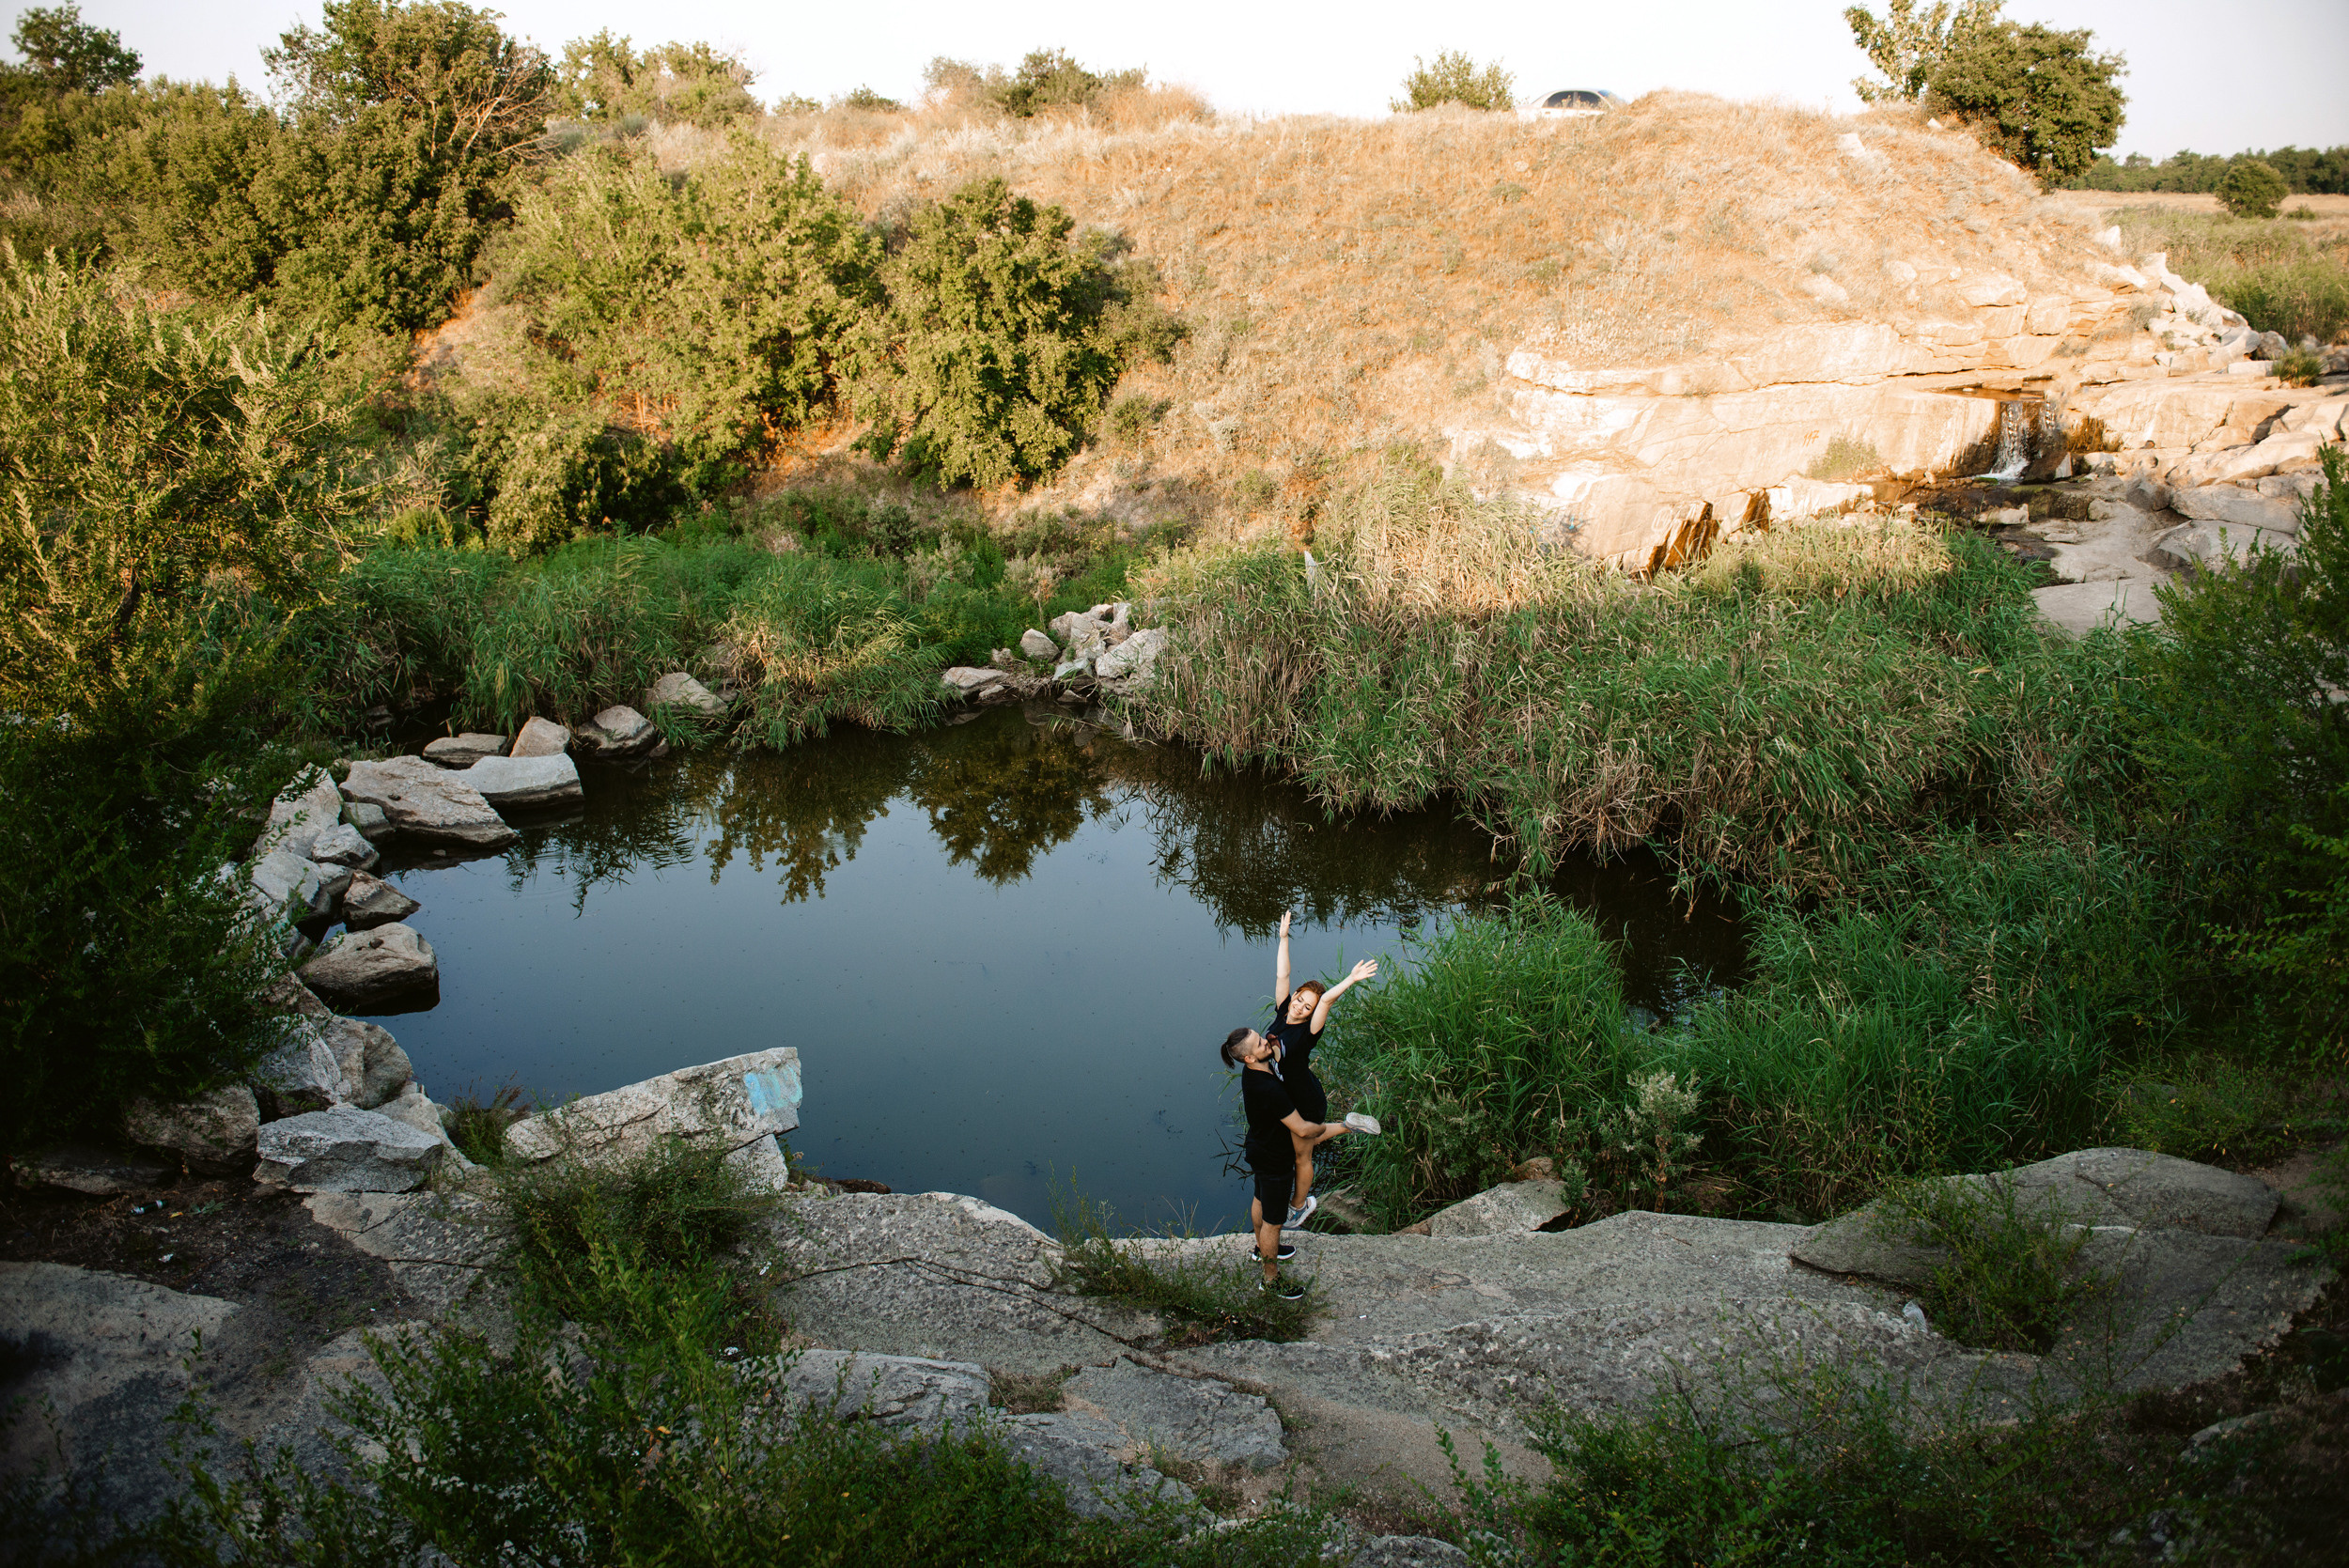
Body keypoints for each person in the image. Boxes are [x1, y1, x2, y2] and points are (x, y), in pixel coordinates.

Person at [1265, 910, 1378, 1228]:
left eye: (1308, 1006)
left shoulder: (1308, 1033)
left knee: (1303, 1153)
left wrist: (1351, 980)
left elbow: (1326, 1001)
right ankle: (1348, 1125)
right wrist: (1284, 939)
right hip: (1288, 1097)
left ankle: (1299, 1208)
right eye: (1301, 1000)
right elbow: (1282, 976)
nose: (1301, 1006)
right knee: (1307, 1140)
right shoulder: (1282, 1011)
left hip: (1304, 1099)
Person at [1221, 1025, 1348, 1296]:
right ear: (1249, 1058)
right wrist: (1322, 1127)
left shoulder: (1254, 1071)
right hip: (1275, 1160)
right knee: (1274, 1222)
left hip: (1259, 1149)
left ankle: (1262, 1249)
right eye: (1259, 1044)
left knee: (1260, 1199)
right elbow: (1303, 1129)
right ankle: (1270, 1280)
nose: (1266, 1042)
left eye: (1260, 1036)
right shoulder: (1268, 1089)